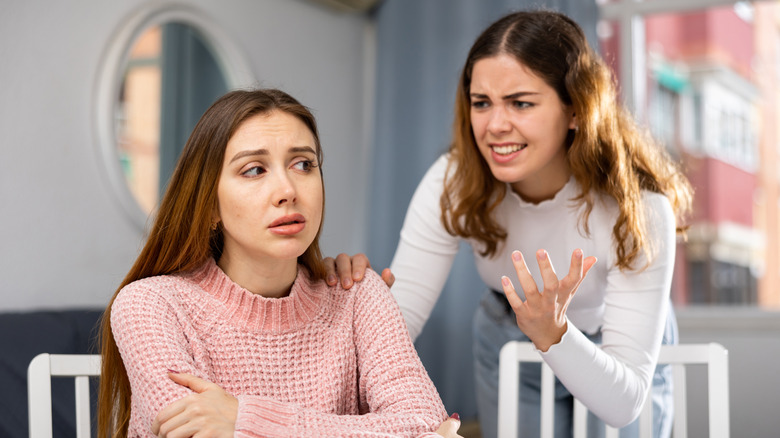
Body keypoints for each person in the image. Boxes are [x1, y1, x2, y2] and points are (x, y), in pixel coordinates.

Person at [325, 9, 693, 438]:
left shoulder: (638, 209)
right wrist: (350, 311)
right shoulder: (454, 181)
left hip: (615, 348)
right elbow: (397, 325)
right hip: (510, 335)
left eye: (521, 103)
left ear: (575, 109)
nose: (495, 125)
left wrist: (555, 334)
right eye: (482, 103)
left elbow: (623, 405)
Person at [96, 89, 463, 438]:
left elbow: (428, 426)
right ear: (208, 205)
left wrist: (246, 419)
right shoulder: (149, 306)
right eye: (254, 170)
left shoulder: (356, 294)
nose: (288, 190)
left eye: (303, 164)